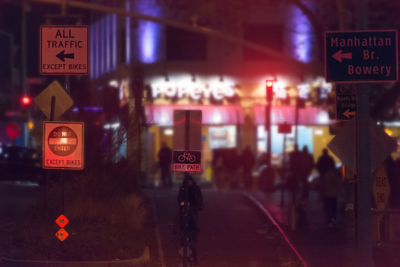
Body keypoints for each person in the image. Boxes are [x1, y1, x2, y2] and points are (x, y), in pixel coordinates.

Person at [176, 174, 203, 264]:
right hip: (184, 211)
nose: (188, 183)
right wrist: (183, 204)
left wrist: (195, 207)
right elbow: (179, 199)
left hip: (193, 211)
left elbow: (199, 201)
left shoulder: (196, 189)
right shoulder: (183, 189)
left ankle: (194, 257)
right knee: (180, 223)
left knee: (193, 233)